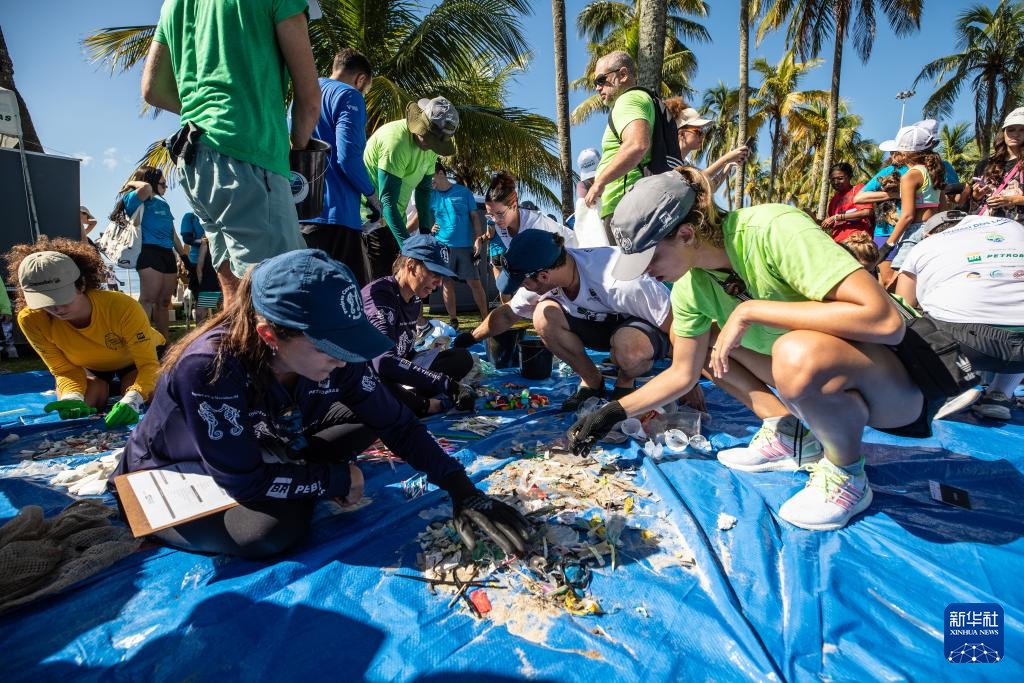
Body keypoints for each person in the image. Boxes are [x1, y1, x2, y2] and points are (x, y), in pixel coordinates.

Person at [568, 168, 930, 532]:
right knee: (708, 338)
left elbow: (885, 321)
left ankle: (847, 474)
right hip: (824, 382)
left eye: (650, 260)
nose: (646, 275)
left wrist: (750, 310)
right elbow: (683, 373)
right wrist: (613, 412)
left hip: (900, 390)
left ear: (686, 233)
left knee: (794, 351)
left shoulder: (772, 228)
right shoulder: (691, 287)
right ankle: (788, 433)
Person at [111, 249, 527, 559]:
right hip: (175, 471)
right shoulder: (209, 367)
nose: (344, 359)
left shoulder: (336, 356)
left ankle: (289, 472)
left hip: (264, 444)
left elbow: (396, 423)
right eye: (330, 349)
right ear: (271, 337)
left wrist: (462, 489)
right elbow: (243, 483)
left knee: (371, 419)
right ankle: (139, 515)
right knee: (271, 532)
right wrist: (335, 480)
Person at [141, 0, 321, 306]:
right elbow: (309, 98)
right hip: (249, 158)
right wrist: (298, 149)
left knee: (237, 298)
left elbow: (152, 90)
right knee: (283, 298)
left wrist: (209, 114)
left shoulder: (173, 4)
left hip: (195, 159)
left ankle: (235, 353)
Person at [454, 230, 686, 412]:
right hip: (601, 329)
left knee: (627, 350)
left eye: (523, 283)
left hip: (641, 329)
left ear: (543, 276)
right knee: (543, 315)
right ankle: (592, 382)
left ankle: (625, 383)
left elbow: (677, 325)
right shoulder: (541, 280)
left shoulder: (618, 279)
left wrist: (687, 380)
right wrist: (470, 338)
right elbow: (507, 315)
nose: (523, 288)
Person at [6, 238, 164, 427]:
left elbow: (148, 364)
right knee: (84, 403)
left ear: (81, 284)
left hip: (136, 360)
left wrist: (134, 397)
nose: (57, 308)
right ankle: (104, 386)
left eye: (63, 297)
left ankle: (120, 387)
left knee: (146, 393)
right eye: (45, 302)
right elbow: (62, 369)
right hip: (89, 366)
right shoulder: (30, 319)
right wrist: (71, 395)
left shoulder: (121, 306)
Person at [895, 211, 1024, 421]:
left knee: (899, 317)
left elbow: (903, 304)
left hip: (969, 344)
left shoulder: (925, 246)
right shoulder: (1012, 227)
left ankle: (951, 384)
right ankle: (999, 395)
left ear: (928, 234)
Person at [362, 235, 476, 417]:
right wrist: (445, 383)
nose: (438, 283)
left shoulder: (414, 300)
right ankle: (424, 405)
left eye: (442, 276)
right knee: (376, 382)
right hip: (370, 376)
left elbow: (404, 354)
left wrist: (425, 355)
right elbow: (383, 362)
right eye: (435, 274)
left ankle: (408, 400)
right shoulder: (380, 297)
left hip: (395, 373)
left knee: (461, 357)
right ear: (411, 266)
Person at [300, 48, 378, 287]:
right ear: (361, 79)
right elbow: (347, 157)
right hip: (338, 216)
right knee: (352, 297)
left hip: (302, 211)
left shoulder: (304, 92)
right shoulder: (350, 96)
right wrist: (372, 196)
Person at [363, 97, 460, 279]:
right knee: (382, 278)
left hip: (393, 219)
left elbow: (424, 192)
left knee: (399, 280)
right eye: (427, 136)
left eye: (434, 142)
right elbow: (387, 203)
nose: (428, 144)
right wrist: (411, 249)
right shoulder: (396, 141)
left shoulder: (430, 148)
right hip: (370, 218)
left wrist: (425, 236)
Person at [109, 166, 188, 340]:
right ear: (149, 181)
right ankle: (141, 341)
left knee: (164, 302)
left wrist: (184, 257)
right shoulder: (135, 198)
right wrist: (130, 182)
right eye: (162, 184)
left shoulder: (162, 202)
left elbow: (172, 233)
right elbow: (145, 189)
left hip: (167, 254)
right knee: (148, 299)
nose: (165, 188)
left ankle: (163, 342)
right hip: (149, 252)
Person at [584, 51, 653, 235]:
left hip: (625, 205)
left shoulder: (628, 100)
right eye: (595, 83)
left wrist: (600, 183)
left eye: (601, 80)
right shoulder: (642, 99)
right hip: (631, 204)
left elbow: (637, 144)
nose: (597, 88)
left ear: (622, 75)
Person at [484, 171, 576, 301]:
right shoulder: (500, 226)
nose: (495, 220)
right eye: (490, 215)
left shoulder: (535, 225)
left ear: (514, 205)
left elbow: (547, 270)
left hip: (572, 253)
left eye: (499, 213)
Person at [429, 162, 487, 327]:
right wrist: (430, 228)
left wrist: (478, 238)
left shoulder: (464, 192)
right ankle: (453, 320)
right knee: (447, 283)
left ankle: (486, 318)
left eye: (430, 175)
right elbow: (420, 217)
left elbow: (475, 217)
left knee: (475, 283)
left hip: (465, 246)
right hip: (442, 246)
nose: (429, 180)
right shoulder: (431, 195)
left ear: (440, 173)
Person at [664, 98, 750, 190]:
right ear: (681, 133)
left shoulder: (687, 163)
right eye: (698, 131)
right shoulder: (667, 160)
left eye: (703, 131)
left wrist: (729, 164)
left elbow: (709, 188)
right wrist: (727, 158)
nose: (703, 136)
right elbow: (699, 180)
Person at [968, 107, 1024, 222]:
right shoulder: (985, 164)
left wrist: (1012, 200)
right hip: (986, 228)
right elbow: (973, 201)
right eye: (1011, 129)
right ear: (1003, 132)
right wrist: (976, 195)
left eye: (1022, 130)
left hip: (1018, 232)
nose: (1016, 134)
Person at [179, 211, 220, 323]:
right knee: (204, 301)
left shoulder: (216, 213)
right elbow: (187, 239)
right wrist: (203, 241)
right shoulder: (190, 216)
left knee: (219, 301)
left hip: (212, 267)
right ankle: (200, 330)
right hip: (201, 265)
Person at [822, 162, 873, 243]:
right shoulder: (833, 200)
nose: (836, 182)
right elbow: (832, 223)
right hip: (838, 243)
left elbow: (867, 212)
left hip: (857, 241)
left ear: (849, 177)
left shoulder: (858, 189)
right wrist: (814, 220)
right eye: (832, 180)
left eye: (840, 178)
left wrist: (836, 217)